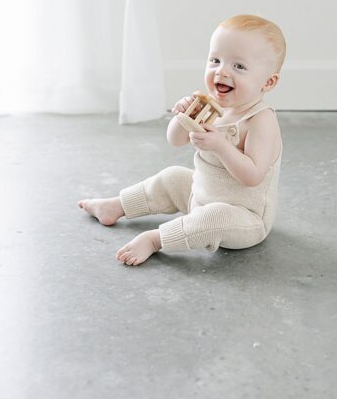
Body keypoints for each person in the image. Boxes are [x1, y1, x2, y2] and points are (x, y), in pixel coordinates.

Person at [78, 14, 286, 266]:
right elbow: (175, 140)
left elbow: (252, 176)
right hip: (201, 196)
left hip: (242, 218)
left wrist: (221, 147)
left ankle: (156, 239)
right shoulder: (211, 108)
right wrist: (181, 117)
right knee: (173, 176)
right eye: (215, 60)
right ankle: (116, 206)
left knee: (213, 216)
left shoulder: (260, 121)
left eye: (238, 66)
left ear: (269, 82)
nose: (221, 71)